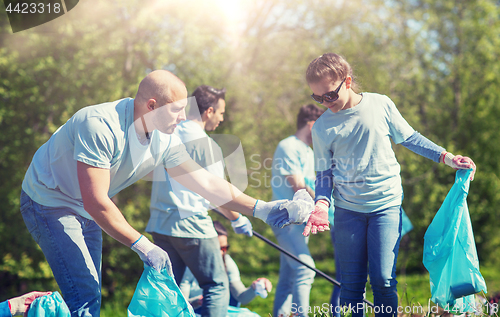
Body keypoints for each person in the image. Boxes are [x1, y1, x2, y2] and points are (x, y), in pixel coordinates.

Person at [20, 70, 312, 317]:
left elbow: (206, 182)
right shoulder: (99, 125)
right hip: (49, 201)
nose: (184, 117)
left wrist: (263, 209)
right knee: (84, 296)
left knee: (89, 296)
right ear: (151, 106)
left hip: (85, 207)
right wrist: (143, 246)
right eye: (176, 110)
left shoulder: (165, 138)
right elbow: (96, 201)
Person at [303, 53, 476, 317]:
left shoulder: (380, 104)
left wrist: (448, 158)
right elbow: (324, 173)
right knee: (351, 285)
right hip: (348, 211)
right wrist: (321, 204)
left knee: (383, 279)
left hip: (386, 206)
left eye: (329, 95)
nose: (326, 103)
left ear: (347, 82)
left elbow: (410, 138)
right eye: (318, 98)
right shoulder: (322, 127)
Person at [146, 85, 253, 317]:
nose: (222, 119)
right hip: (191, 226)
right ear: (209, 111)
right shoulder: (208, 146)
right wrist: (238, 219)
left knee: (168, 289)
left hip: (160, 225)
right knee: (216, 285)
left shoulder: (167, 135)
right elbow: (217, 195)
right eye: (221, 113)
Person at [270, 104, 324, 317]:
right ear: (311, 125)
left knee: (289, 276)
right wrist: (325, 202)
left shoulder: (308, 151)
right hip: (287, 222)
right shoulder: (289, 146)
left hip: (301, 223)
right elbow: (299, 187)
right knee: (305, 269)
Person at [179, 221, 272, 314]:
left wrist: (255, 288)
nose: (221, 253)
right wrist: (199, 301)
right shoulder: (190, 265)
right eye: (216, 248)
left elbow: (241, 296)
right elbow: (181, 305)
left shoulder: (227, 262)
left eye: (224, 248)